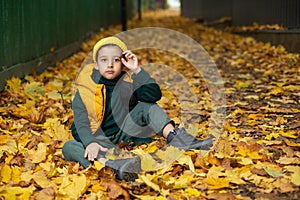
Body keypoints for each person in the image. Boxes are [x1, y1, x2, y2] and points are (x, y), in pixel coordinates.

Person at [62, 36, 212, 181]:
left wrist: (137, 70)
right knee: (69, 147)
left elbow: (153, 95)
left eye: (116, 60)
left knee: (146, 106)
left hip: (125, 133)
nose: (110, 65)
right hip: (99, 140)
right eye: (104, 60)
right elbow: (81, 123)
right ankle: (111, 166)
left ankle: (175, 137)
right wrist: (90, 142)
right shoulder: (84, 90)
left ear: (123, 62)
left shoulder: (127, 83)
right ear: (96, 64)